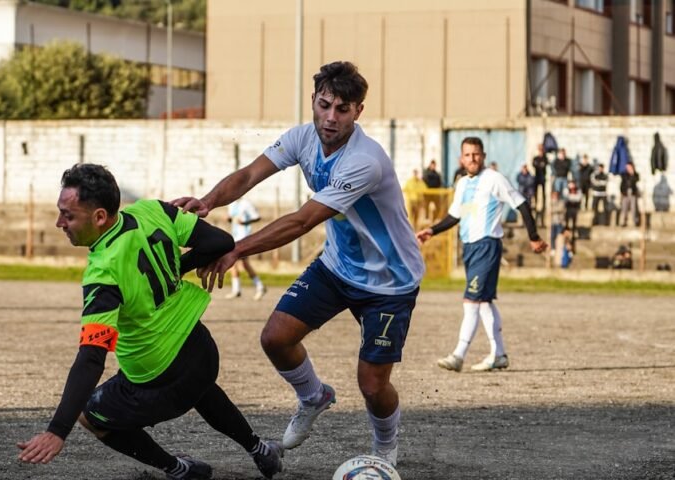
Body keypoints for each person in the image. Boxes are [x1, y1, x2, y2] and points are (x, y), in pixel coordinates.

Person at [173, 61, 424, 469]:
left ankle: (384, 450)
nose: (330, 117)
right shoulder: (302, 138)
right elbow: (251, 173)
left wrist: (237, 248)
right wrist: (209, 202)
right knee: (276, 338)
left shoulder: (364, 160)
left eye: (342, 109)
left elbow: (303, 220)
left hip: (389, 283)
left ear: (358, 111)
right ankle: (314, 396)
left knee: (372, 384)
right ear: (313, 100)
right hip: (336, 266)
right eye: (324, 105)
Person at [17, 164, 283, 480]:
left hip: (158, 381)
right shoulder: (153, 210)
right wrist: (176, 268)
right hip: (202, 353)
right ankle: (258, 449)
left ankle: (178, 469)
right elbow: (220, 242)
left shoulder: (103, 272)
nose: (60, 222)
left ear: (100, 217)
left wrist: (57, 430)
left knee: (90, 416)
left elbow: (91, 357)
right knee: (200, 385)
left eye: (68, 215)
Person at [416, 137, 547, 373]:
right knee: (484, 302)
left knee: (471, 302)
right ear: (461, 158)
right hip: (470, 248)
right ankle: (499, 354)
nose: (472, 159)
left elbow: (521, 203)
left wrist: (534, 236)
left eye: (476, 154)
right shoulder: (463, 184)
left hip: (487, 246)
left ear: (483, 156)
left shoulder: (494, 179)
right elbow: (457, 215)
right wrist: (432, 231)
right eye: (468, 155)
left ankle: (458, 355)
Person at [225, 198, 267, 300]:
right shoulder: (231, 204)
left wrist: (245, 222)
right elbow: (232, 218)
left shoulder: (246, 203)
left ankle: (258, 286)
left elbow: (257, 217)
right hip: (235, 237)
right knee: (240, 263)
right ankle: (240, 289)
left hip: (244, 237)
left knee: (238, 262)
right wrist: (229, 219)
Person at [532, 143, 549, 226]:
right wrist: (540, 165)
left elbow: (544, 165)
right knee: (535, 195)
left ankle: (543, 209)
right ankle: (535, 206)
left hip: (542, 179)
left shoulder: (545, 158)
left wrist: (540, 165)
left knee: (543, 196)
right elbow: (535, 165)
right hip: (537, 178)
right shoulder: (535, 158)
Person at [620, 162, 641, 227]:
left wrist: (632, 174)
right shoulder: (624, 174)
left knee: (634, 208)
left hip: (633, 192)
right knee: (624, 208)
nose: (628, 168)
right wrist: (622, 192)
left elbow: (636, 180)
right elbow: (622, 184)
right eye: (627, 167)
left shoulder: (635, 174)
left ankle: (635, 221)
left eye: (629, 167)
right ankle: (624, 221)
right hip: (625, 193)